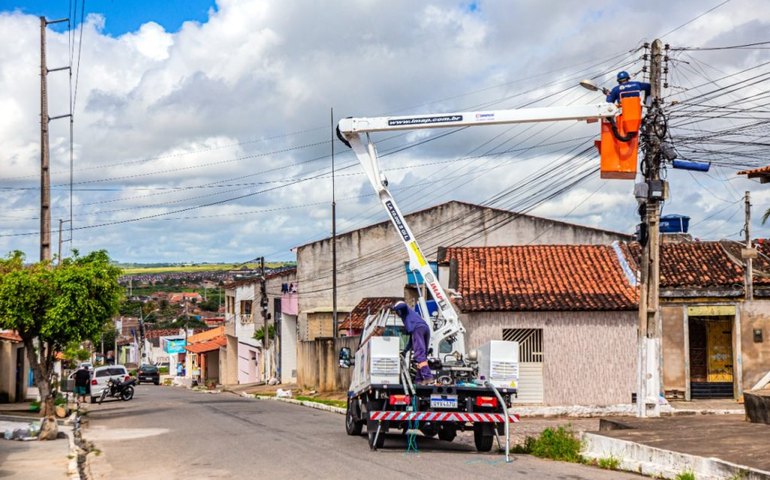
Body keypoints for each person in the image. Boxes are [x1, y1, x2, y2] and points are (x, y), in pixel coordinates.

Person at [392, 300, 434, 385]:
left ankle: (428, 377)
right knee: (422, 356)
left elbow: (403, 305)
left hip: (418, 329)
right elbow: (412, 340)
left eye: (396, 312)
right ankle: (419, 379)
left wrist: (392, 307)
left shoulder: (405, 311)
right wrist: (405, 351)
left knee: (419, 354)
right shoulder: (410, 317)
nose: (397, 314)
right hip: (425, 329)